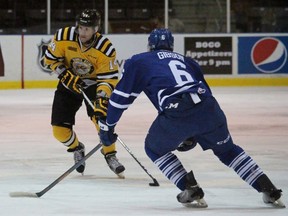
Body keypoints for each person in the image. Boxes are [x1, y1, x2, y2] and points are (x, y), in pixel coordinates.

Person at [98, 28, 285, 208]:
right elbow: (206, 94)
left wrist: (108, 126)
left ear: (149, 46)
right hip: (210, 109)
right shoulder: (189, 62)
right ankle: (268, 189)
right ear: (171, 46)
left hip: (178, 111)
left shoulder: (140, 61)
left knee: (154, 149)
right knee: (228, 151)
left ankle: (189, 188)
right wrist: (194, 132)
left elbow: (121, 99)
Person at [44, 9, 125, 178]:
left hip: (93, 85)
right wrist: (64, 73)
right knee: (59, 131)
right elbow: (49, 59)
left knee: (101, 120)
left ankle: (110, 154)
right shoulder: (63, 36)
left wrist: (102, 98)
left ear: (96, 29)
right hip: (68, 84)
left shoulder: (105, 48)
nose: (82, 32)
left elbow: (108, 79)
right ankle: (77, 148)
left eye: (87, 29)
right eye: (80, 27)